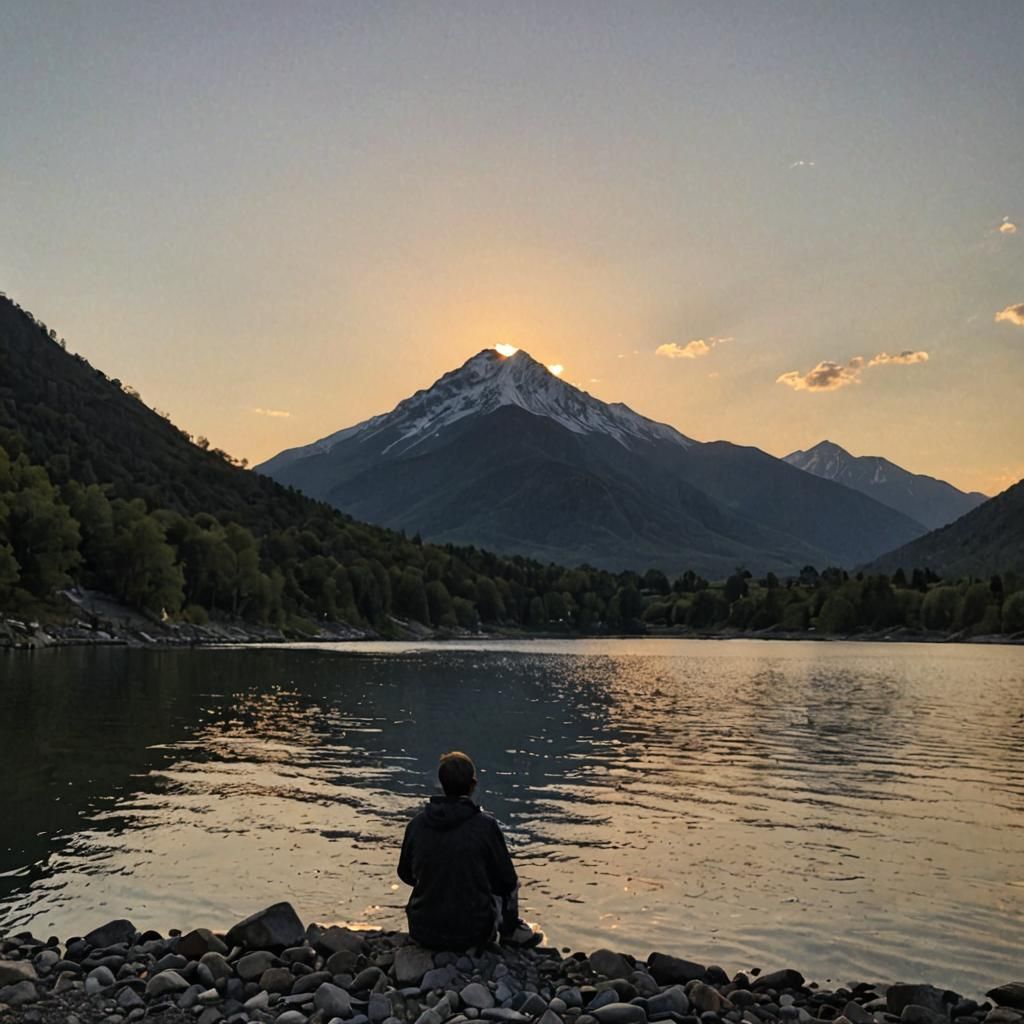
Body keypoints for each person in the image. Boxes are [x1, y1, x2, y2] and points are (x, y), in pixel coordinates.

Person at [398, 750, 536, 950]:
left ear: (441, 784)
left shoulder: (416, 825)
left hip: (422, 930)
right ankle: (511, 932)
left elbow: (405, 874)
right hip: (473, 933)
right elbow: (506, 882)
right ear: (473, 785)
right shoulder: (486, 826)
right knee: (509, 883)